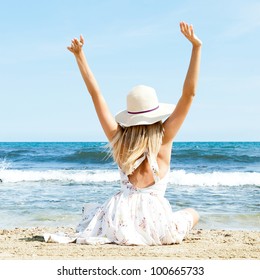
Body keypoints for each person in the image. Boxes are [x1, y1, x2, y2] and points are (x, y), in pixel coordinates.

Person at [44, 21, 202, 245]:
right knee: (193, 213)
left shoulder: (118, 139)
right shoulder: (164, 139)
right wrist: (196, 47)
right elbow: (189, 95)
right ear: (156, 114)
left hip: (120, 218)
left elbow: (95, 94)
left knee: (91, 212)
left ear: (131, 114)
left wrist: (80, 56)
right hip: (157, 224)